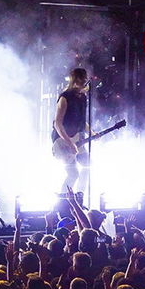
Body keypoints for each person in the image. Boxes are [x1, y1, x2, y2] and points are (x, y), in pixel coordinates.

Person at [52, 67, 90, 195]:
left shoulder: (83, 97)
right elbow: (57, 123)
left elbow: (81, 121)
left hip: (78, 138)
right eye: (81, 79)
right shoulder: (65, 97)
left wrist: (92, 132)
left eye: (85, 78)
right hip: (62, 141)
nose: (84, 81)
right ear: (75, 80)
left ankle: (79, 196)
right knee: (73, 173)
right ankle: (63, 199)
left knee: (88, 167)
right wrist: (70, 143)